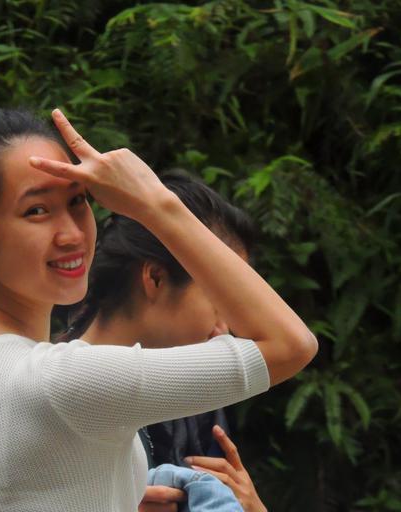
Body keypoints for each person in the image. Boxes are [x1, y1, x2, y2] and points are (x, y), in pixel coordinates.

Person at [0, 108, 317, 511]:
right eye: (37, 210)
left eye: (78, 201)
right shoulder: (57, 380)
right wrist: (154, 203)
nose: (71, 234)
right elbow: (290, 344)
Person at [63, 173, 267, 511]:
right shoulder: (54, 388)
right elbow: (292, 345)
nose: (224, 331)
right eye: (220, 304)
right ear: (156, 277)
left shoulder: (198, 401)